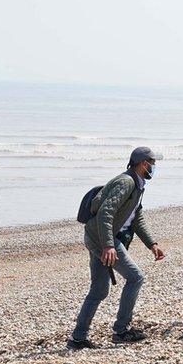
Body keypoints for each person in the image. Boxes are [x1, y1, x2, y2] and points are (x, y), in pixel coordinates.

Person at [68, 146, 166, 350]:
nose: (154, 167)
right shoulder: (126, 182)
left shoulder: (137, 184)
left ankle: (78, 338)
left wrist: (152, 244)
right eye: (153, 163)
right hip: (102, 239)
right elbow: (106, 213)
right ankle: (121, 330)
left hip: (98, 237)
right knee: (136, 277)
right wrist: (109, 246)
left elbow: (136, 217)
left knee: (99, 290)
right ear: (143, 164)